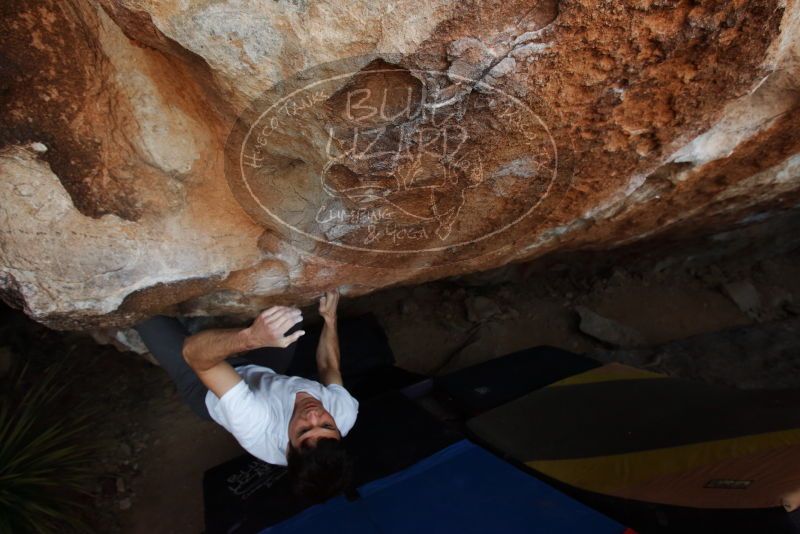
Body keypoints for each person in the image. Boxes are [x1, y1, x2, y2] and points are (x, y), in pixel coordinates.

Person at [134, 289, 357, 503]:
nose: (314, 414)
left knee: (141, 309)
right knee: (289, 318)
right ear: (339, 431)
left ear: (288, 446)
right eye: (327, 425)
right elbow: (329, 367)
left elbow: (195, 355)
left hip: (207, 384)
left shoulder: (256, 425)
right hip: (262, 375)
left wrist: (252, 337)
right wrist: (330, 319)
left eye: (304, 430)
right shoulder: (344, 413)